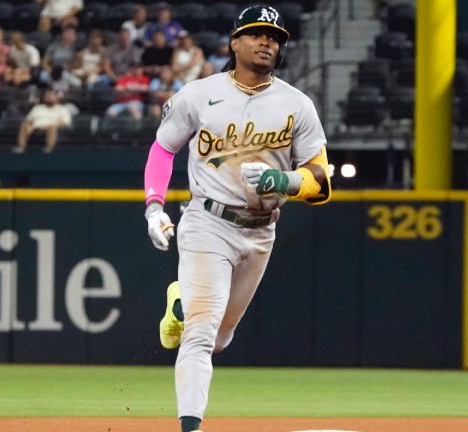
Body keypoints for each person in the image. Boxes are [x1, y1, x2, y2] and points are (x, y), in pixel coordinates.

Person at [142, 5, 331, 432]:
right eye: (257, 33)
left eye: (275, 36)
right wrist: (154, 204)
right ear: (235, 42)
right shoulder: (199, 93)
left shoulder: (297, 105)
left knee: (222, 338)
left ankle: (178, 305)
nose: (267, 41)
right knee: (201, 337)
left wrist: (281, 180)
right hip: (208, 222)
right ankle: (190, 428)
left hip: (261, 231)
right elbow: (162, 148)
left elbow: (321, 183)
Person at [14, 86, 71, 153]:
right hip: (35, 129)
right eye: (47, 95)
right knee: (24, 125)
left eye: (51, 95)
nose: (49, 97)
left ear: (56, 97)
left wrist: (51, 126)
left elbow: (65, 122)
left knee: (52, 128)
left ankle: (49, 149)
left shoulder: (62, 109)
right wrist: (29, 125)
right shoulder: (38, 108)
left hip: (51, 128)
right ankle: (21, 148)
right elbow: (28, 120)